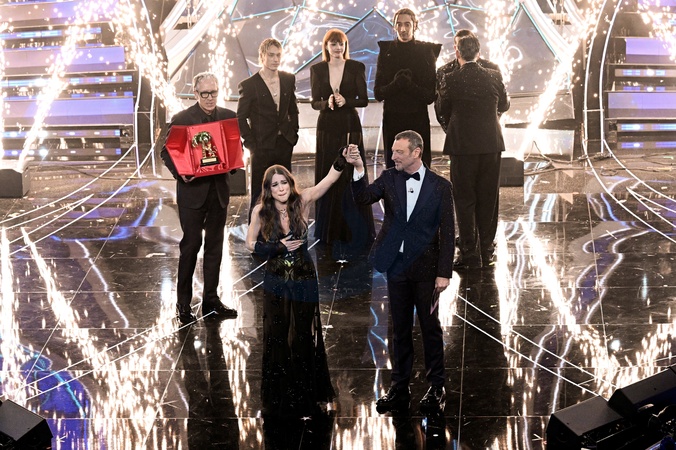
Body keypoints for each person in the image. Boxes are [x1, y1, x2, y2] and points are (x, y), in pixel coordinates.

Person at [345, 130, 455, 413]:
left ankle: (436, 386)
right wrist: (358, 168)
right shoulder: (389, 178)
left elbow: (448, 233)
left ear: (416, 152)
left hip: (427, 269)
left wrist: (444, 272)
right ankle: (399, 386)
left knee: (430, 328)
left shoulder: (441, 187)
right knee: (399, 328)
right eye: (393, 151)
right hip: (397, 265)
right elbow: (363, 197)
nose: (393, 156)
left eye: (399, 152)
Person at [245, 155, 348, 416]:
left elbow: (327, 182)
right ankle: (280, 391)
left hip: (303, 275)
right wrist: (276, 247)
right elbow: (250, 243)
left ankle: (305, 390)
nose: (280, 188)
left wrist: (340, 160)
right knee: (277, 331)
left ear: (290, 184)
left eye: (284, 183)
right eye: (275, 185)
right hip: (276, 277)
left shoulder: (301, 201)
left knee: (303, 332)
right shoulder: (261, 211)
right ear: (268, 189)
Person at [160, 72, 238, 325]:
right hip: (192, 194)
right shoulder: (182, 119)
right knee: (191, 246)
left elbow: (234, 149)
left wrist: (232, 161)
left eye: (213, 92)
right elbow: (166, 152)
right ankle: (183, 304)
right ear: (195, 93)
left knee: (215, 248)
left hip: (218, 193)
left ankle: (211, 300)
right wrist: (181, 174)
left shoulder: (228, 116)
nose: (209, 98)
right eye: (204, 93)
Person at [440, 33, 510, 269]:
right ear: (478, 52)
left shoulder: (450, 78)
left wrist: (454, 128)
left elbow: (442, 110)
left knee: (464, 199)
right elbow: (504, 104)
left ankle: (469, 253)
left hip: (462, 146)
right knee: (489, 198)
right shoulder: (493, 75)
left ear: (457, 52)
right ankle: (487, 249)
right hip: (491, 144)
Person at [310, 28, 374, 256]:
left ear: (345, 46)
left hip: (349, 125)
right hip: (327, 127)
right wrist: (326, 102)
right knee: (328, 173)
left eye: (341, 44)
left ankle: (353, 228)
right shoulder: (317, 69)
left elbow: (364, 100)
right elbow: (314, 102)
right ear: (326, 46)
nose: (337, 48)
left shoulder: (356, 67)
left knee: (349, 173)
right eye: (333, 44)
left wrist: (347, 101)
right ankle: (328, 229)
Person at [237, 38, 299, 221]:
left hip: (284, 142)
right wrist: (251, 143)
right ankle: (256, 229)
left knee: (285, 189)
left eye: (278, 55)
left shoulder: (288, 79)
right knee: (260, 190)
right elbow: (240, 117)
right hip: (261, 145)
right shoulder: (249, 85)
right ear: (262, 56)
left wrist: (293, 134)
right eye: (271, 55)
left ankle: (286, 226)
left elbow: (293, 110)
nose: (275, 59)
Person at [374, 7, 441, 169]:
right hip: (393, 118)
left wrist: (409, 86)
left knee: (419, 166)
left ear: (415, 26)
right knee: (394, 166)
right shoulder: (386, 51)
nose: (403, 29)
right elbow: (378, 93)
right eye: (399, 24)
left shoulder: (426, 51)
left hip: (417, 119)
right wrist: (397, 84)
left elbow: (430, 96)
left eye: (407, 24)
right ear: (394, 26)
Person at [435, 29, 501, 132]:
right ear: (456, 49)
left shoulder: (492, 68)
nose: (466, 48)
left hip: (487, 130)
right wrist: (451, 131)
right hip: (458, 131)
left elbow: (500, 103)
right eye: (461, 44)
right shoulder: (444, 72)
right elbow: (441, 109)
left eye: (469, 45)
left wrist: (491, 123)